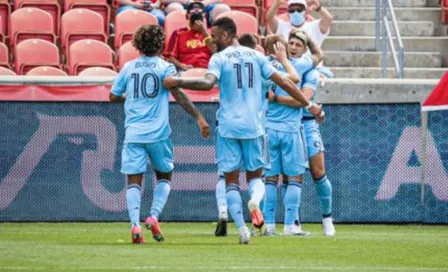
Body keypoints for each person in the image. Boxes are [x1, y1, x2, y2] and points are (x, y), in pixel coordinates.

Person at [164, 17, 324, 244]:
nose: (212, 39)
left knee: (230, 181)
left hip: (228, 127)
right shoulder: (258, 57)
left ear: (228, 35)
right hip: (255, 127)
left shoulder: (219, 58)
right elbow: (288, 82)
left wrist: (177, 82)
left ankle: (242, 230)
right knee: (256, 178)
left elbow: (208, 83)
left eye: (216, 35)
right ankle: (255, 204)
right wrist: (309, 105)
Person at [109, 25, 210, 244]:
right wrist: (199, 117)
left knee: (134, 180)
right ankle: (153, 216)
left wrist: (132, 98)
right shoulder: (165, 68)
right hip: (159, 133)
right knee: (164, 175)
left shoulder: (128, 67)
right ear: (160, 44)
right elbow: (179, 94)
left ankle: (135, 225)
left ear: (137, 45)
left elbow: (113, 95)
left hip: (134, 134)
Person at [270, 29, 336, 236]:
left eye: (299, 44)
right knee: (287, 175)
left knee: (318, 171)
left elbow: (303, 99)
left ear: (305, 49)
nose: (293, 47)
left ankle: (327, 218)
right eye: (291, 43)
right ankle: (294, 221)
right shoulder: (279, 67)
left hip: (306, 123)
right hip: (287, 125)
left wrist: (274, 98)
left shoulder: (310, 70)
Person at [266, 0, 334, 78]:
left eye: (299, 10)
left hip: (313, 67)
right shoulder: (281, 26)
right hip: (290, 68)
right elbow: (269, 18)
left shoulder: (315, 26)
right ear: (288, 13)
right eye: (292, 10)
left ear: (305, 12)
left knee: (325, 75)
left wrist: (319, 8)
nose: (295, 13)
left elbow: (328, 20)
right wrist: (277, 3)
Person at [165, 1, 216, 71]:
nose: (196, 15)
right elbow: (170, 57)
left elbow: (216, 52)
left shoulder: (211, 32)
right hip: (185, 70)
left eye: (199, 13)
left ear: (204, 16)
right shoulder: (178, 33)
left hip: (207, 69)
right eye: (193, 13)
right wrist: (182, 66)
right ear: (187, 16)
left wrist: (204, 32)